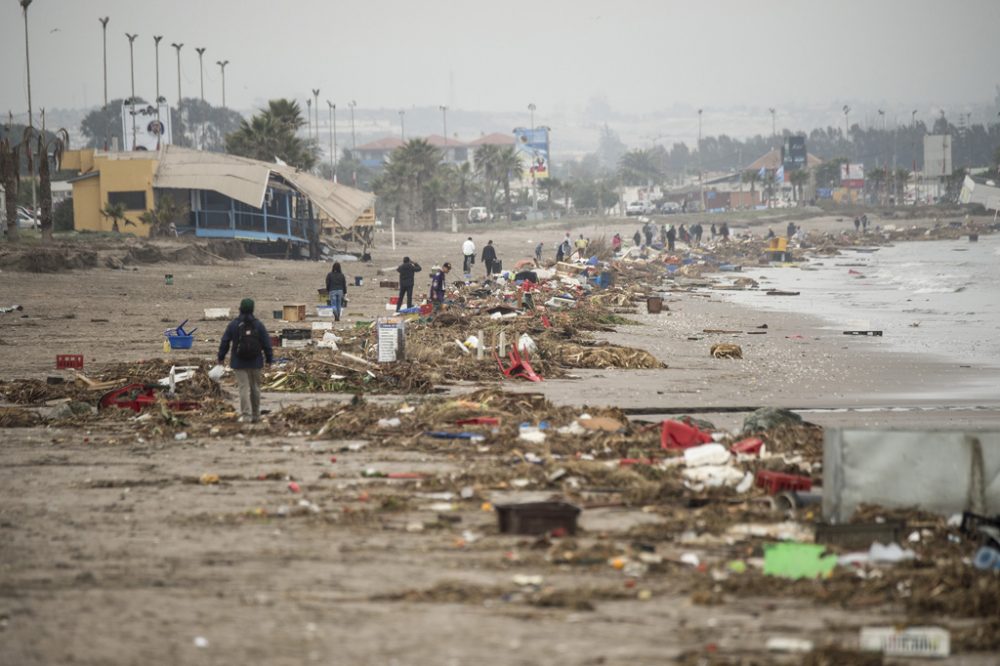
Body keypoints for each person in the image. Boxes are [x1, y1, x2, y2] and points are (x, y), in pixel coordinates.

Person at [217, 298, 274, 424]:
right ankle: (256, 415)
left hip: (239, 362)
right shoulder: (258, 325)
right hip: (256, 362)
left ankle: (246, 415)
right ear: (253, 309)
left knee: (243, 388)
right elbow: (266, 343)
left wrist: (221, 357)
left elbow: (225, 341)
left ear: (240, 308)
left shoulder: (234, 324)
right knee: (255, 388)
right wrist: (269, 359)